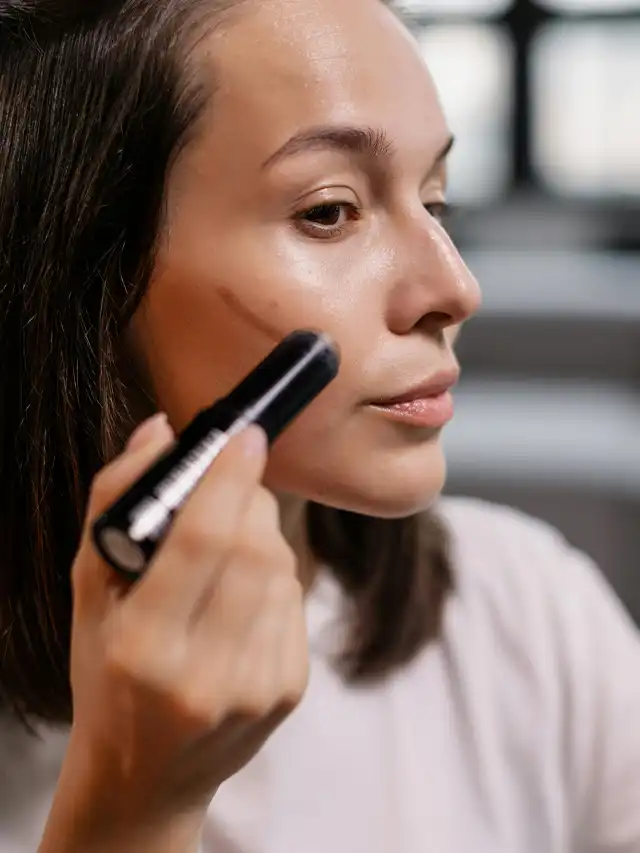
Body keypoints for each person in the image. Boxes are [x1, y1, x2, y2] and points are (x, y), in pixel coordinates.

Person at [0, 0, 638, 851]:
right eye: (331, 211)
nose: (454, 289)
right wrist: (132, 809)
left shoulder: (531, 615)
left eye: (435, 202)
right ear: (84, 271)